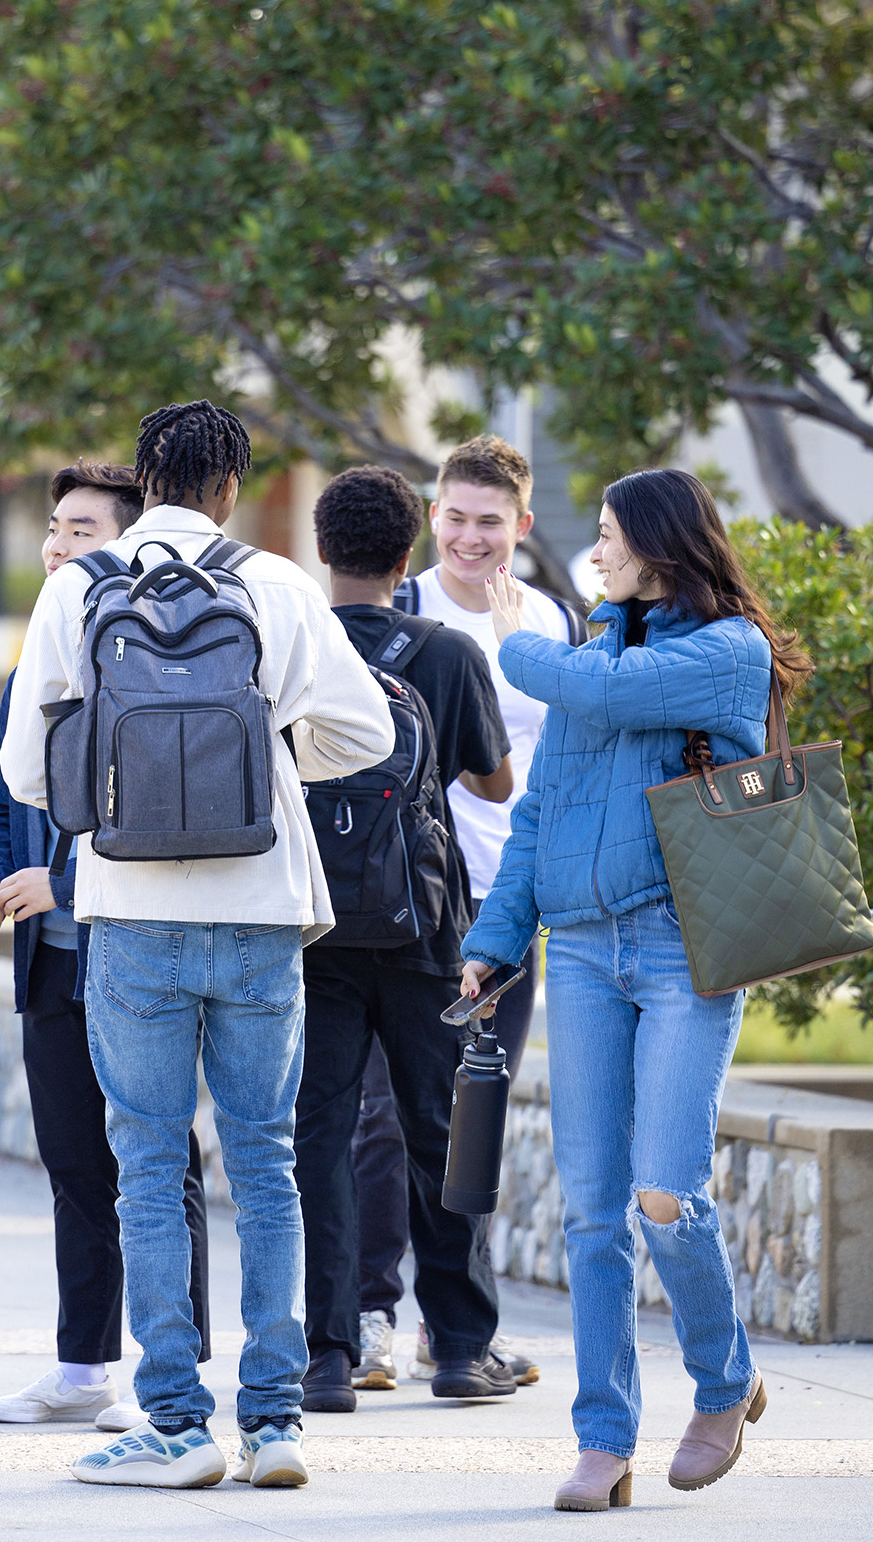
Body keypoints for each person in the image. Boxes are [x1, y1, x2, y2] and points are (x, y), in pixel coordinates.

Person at [2, 401, 394, 1492]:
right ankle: (273, 1420)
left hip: (129, 908)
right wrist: (266, 763)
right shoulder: (272, 583)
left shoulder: (78, 586)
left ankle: (176, 1421)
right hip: (264, 905)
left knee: (147, 1162)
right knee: (265, 1159)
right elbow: (373, 732)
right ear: (230, 487)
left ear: (142, 478)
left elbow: (30, 772)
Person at [457, 466, 807, 1511]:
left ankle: (721, 1377)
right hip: (579, 951)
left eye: (609, 536)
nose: (596, 554)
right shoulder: (593, 652)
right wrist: (493, 938)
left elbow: (596, 693)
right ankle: (601, 1437)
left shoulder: (724, 652)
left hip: (680, 943)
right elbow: (538, 815)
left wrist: (510, 632)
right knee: (591, 1212)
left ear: (661, 543)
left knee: (665, 1189)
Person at [0, 461, 213, 1433]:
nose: (58, 545)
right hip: (50, 960)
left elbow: (159, 816)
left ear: (126, 548)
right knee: (73, 1162)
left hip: (133, 948)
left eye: (81, 529)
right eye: (53, 528)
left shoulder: (153, 662)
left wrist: (59, 883)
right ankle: (80, 1365)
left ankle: (169, 1366)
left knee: (156, 1159)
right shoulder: (34, 662)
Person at [292, 466, 520, 1416]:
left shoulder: (290, 649)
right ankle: (463, 1346)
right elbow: (497, 786)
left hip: (314, 929)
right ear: (407, 555)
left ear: (322, 552)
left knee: (325, 1136)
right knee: (442, 1128)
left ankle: (331, 1355)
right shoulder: (449, 652)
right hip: (429, 928)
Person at [361, 435, 579, 1389]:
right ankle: (369, 1315)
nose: (469, 536)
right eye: (454, 516)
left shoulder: (556, 624)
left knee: (471, 1115)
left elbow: (567, 760)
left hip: (505, 904)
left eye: (490, 520)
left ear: (522, 527)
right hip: (403, 902)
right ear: (430, 515)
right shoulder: (393, 609)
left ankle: (455, 1333)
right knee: (380, 1114)